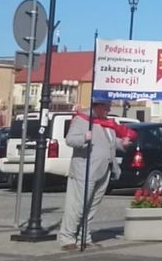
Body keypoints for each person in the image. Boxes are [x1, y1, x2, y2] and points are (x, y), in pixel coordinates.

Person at [58, 99, 132, 251]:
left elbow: (109, 141)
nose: (109, 108)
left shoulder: (106, 122)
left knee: (91, 206)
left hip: (104, 169)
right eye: (107, 106)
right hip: (85, 169)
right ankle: (67, 237)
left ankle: (84, 237)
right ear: (97, 106)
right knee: (77, 205)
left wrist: (121, 143)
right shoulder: (82, 119)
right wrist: (84, 137)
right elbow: (70, 140)